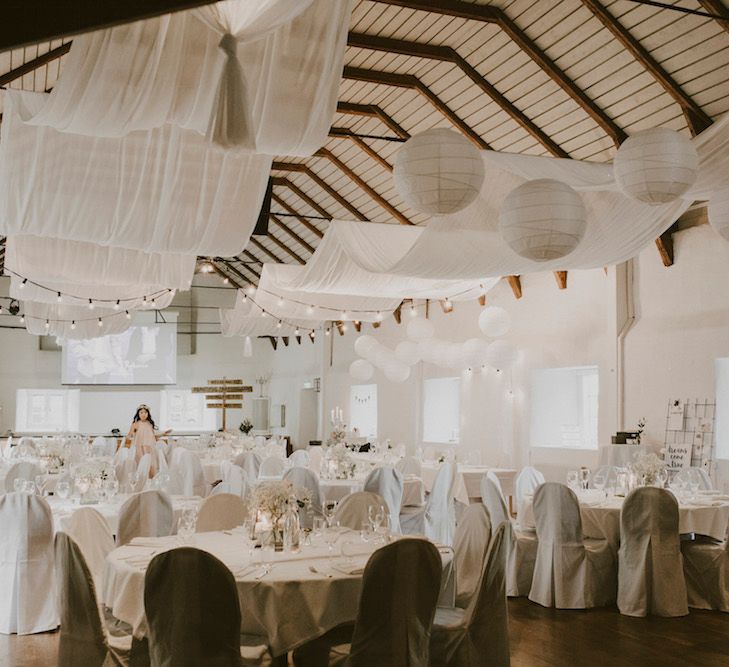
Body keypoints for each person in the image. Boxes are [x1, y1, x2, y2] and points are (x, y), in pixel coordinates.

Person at [125, 405, 169, 478]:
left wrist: (164, 433)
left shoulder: (149, 424)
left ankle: (151, 479)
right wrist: (132, 435)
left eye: (145, 412)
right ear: (138, 414)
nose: (143, 414)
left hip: (149, 447)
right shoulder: (135, 424)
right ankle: (141, 479)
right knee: (141, 462)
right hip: (139, 447)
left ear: (148, 414)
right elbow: (129, 435)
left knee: (150, 463)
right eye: (141, 412)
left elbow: (154, 435)